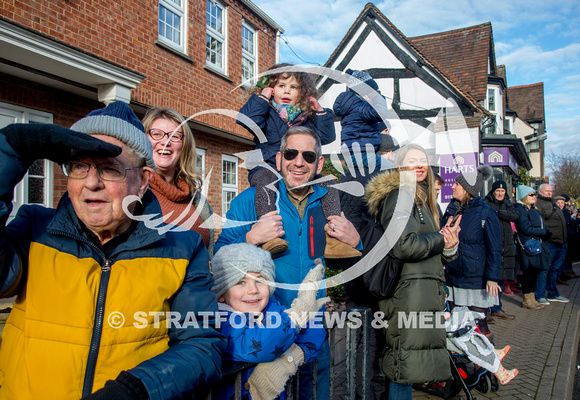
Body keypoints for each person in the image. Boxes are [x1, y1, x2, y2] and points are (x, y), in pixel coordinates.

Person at [0, 101, 225, 399]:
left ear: (143, 181)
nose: (91, 183)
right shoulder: (33, 229)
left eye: (109, 169)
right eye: (80, 166)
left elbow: (202, 346)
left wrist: (136, 389)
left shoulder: (183, 248)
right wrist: (8, 155)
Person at [215, 126, 362, 400]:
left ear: (319, 164)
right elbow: (220, 258)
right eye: (291, 153)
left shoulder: (328, 204)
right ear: (279, 159)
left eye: (308, 156)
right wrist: (251, 237)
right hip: (262, 330)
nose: (298, 162)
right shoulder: (251, 201)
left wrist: (357, 244)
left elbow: (345, 269)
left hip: (311, 332)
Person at [364, 143, 461, 399]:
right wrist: (440, 239)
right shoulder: (399, 196)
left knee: (412, 366)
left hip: (424, 292)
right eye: (412, 160)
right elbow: (404, 247)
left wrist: (449, 247)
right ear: (399, 165)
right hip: (405, 294)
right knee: (404, 365)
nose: (419, 164)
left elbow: (433, 252)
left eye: (423, 160)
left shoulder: (426, 200)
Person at [237, 63, 358, 259]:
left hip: (297, 171)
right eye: (280, 86)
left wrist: (319, 111)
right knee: (265, 181)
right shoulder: (266, 113)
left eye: (293, 87)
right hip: (266, 165)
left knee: (327, 182)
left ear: (302, 93)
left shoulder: (306, 118)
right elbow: (245, 120)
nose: (287, 91)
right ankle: (269, 235)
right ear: (271, 88)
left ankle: (335, 238)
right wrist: (262, 98)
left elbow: (325, 138)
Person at [210, 243, 327, 400]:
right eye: (240, 282)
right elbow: (261, 345)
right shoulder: (221, 322)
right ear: (221, 293)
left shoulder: (272, 309)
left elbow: (314, 328)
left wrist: (293, 356)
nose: (253, 290)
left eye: (260, 280)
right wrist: (298, 315)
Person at [338, 132, 399, 400]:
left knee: (358, 334)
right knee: (375, 337)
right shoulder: (380, 177)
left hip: (353, 265)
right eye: (392, 153)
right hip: (375, 266)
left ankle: (356, 388)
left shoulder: (347, 176)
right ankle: (369, 390)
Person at [142, 107, 215, 256]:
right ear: (144, 140)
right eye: (156, 134)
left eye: (175, 136)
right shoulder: (135, 193)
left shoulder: (197, 201)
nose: (166, 142)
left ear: (184, 145)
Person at [442, 164, 502, 340]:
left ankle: (484, 365)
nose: (452, 186)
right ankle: (461, 364)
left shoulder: (486, 213)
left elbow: (495, 249)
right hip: (453, 278)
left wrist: (492, 278)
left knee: (479, 326)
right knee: (456, 325)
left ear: (467, 190)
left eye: (457, 184)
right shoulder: (451, 209)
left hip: (475, 281)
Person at [444, 305, 518, 385]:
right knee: (469, 342)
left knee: (469, 329)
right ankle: (499, 370)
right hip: (444, 336)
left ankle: (495, 359)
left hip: (444, 327)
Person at [485, 180, 519, 320]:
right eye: (497, 191)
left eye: (502, 191)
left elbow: (515, 215)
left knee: (500, 279)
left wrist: (499, 213)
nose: (500, 194)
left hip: (506, 246)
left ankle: (497, 308)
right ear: (493, 192)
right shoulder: (487, 202)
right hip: (492, 245)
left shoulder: (508, 204)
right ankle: (485, 310)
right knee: (489, 279)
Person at [332, 68, 389, 153]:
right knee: (390, 165)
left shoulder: (352, 107)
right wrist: (377, 96)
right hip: (362, 151)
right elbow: (381, 112)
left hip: (355, 151)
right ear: (365, 94)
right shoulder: (361, 107)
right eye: (373, 92)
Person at [513, 185, 551, 310]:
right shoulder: (520, 209)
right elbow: (525, 228)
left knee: (534, 272)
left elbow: (540, 225)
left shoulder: (533, 209)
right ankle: (527, 300)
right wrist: (543, 232)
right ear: (524, 196)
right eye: (531, 195)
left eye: (534, 194)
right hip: (527, 246)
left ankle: (532, 298)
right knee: (528, 273)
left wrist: (546, 231)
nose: (534, 197)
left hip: (536, 244)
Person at [535, 184, 569, 304]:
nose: (550, 193)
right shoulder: (539, 203)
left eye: (551, 191)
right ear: (540, 192)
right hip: (550, 242)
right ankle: (539, 295)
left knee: (554, 270)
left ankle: (553, 293)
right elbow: (542, 217)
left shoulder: (552, 203)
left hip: (560, 242)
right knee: (544, 269)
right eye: (547, 191)